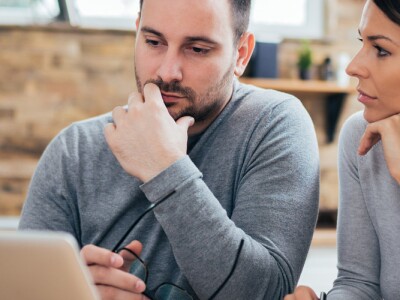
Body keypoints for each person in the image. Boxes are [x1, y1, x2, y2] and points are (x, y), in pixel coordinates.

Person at [19, 0, 319, 299]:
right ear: (136, 33)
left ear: (240, 54)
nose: (167, 71)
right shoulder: (74, 150)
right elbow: (21, 290)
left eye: (197, 49)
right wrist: (68, 291)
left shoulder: (274, 125)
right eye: (153, 42)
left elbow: (263, 293)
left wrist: (164, 168)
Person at [285, 0, 400, 299]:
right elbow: (359, 284)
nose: (353, 67)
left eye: (382, 50)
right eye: (363, 42)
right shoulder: (361, 138)